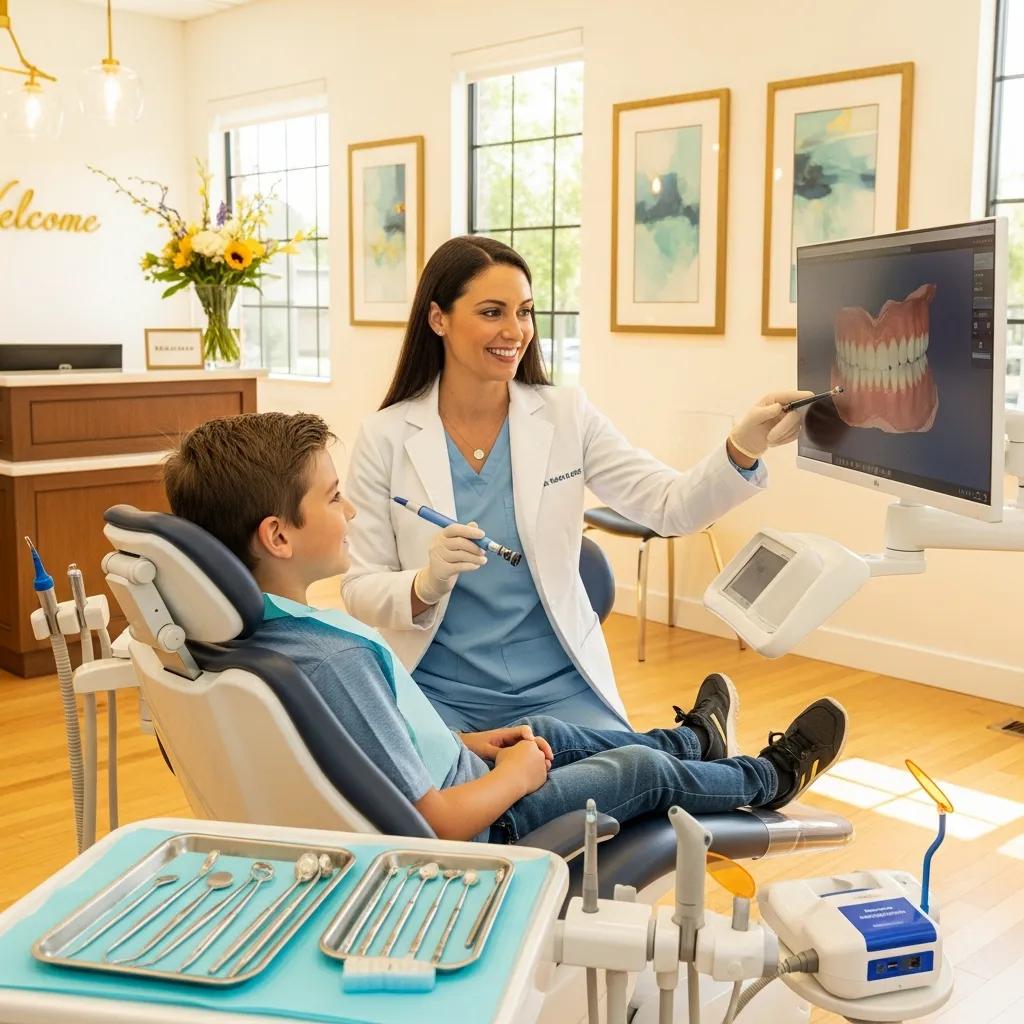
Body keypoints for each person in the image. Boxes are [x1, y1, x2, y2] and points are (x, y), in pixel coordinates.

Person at [163, 411, 848, 843]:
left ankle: (691, 738)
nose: (349, 514)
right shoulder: (334, 655)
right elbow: (438, 822)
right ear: (279, 535)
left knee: (546, 732)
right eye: (334, 498)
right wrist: (515, 776)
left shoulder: (280, 636)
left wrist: (472, 744)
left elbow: (365, 742)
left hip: (463, 766)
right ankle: (769, 777)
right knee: (638, 771)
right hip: (490, 818)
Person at [342, 235, 814, 733]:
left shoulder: (566, 416)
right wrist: (424, 583)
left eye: (524, 312)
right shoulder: (386, 437)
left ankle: (705, 759)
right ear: (439, 319)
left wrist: (743, 447)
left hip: (559, 683)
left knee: (607, 785)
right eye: (491, 312)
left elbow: (670, 506)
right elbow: (359, 588)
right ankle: (692, 750)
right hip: (439, 689)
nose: (514, 330)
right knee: (475, 795)